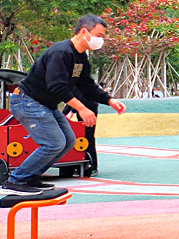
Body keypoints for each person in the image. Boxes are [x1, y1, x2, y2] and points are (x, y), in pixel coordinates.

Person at [2, 14, 126, 198]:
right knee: (53, 143)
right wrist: (82, 108)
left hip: (45, 104)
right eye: (99, 35)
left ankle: (30, 177)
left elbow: (86, 84)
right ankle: (16, 180)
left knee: (68, 141)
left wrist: (109, 100)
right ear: (84, 32)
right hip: (27, 101)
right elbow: (57, 86)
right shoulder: (61, 53)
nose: (100, 40)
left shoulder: (80, 57)